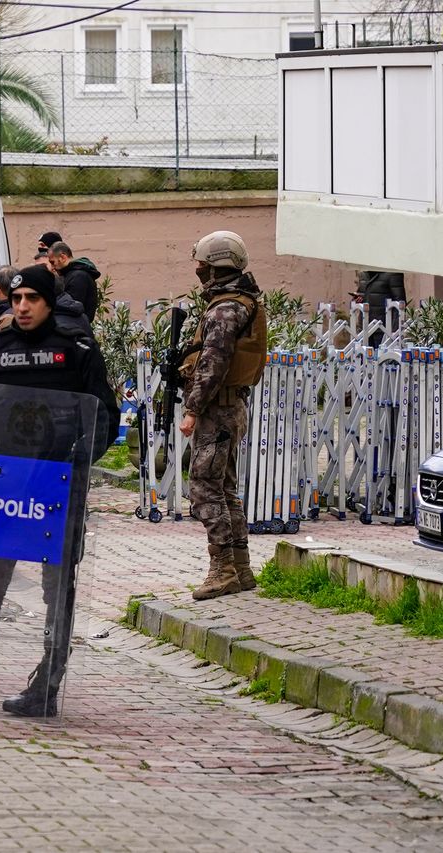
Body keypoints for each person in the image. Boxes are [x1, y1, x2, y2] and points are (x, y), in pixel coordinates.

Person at [0, 264, 119, 717]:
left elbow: (103, 415)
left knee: (57, 591)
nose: (22, 306)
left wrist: (78, 464)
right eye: (17, 298)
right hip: (4, 485)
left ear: (49, 302)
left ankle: (45, 686)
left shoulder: (78, 352)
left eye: (32, 299)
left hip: (56, 485)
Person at [178, 230, 267, 601]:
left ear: (218, 267)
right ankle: (241, 567)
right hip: (229, 406)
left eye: (203, 266)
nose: (198, 271)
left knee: (203, 486)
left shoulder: (226, 309)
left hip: (218, 408)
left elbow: (213, 364)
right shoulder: (238, 302)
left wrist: (192, 408)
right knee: (224, 487)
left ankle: (223, 569)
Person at [47, 241, 100, 322]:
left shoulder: (78, 276)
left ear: (63, 257)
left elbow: (70, 308)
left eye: (52, 262)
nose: (52, 267)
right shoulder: (74, 274)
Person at [354, 270, 407, 347]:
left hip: (384, 328)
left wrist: (395, 331)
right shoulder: (363, 274)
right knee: (365, 357)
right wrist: (358, 298)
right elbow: (362, 294)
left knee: (382, 357)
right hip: (365, 326)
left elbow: (400, 303)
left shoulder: (393, 273)